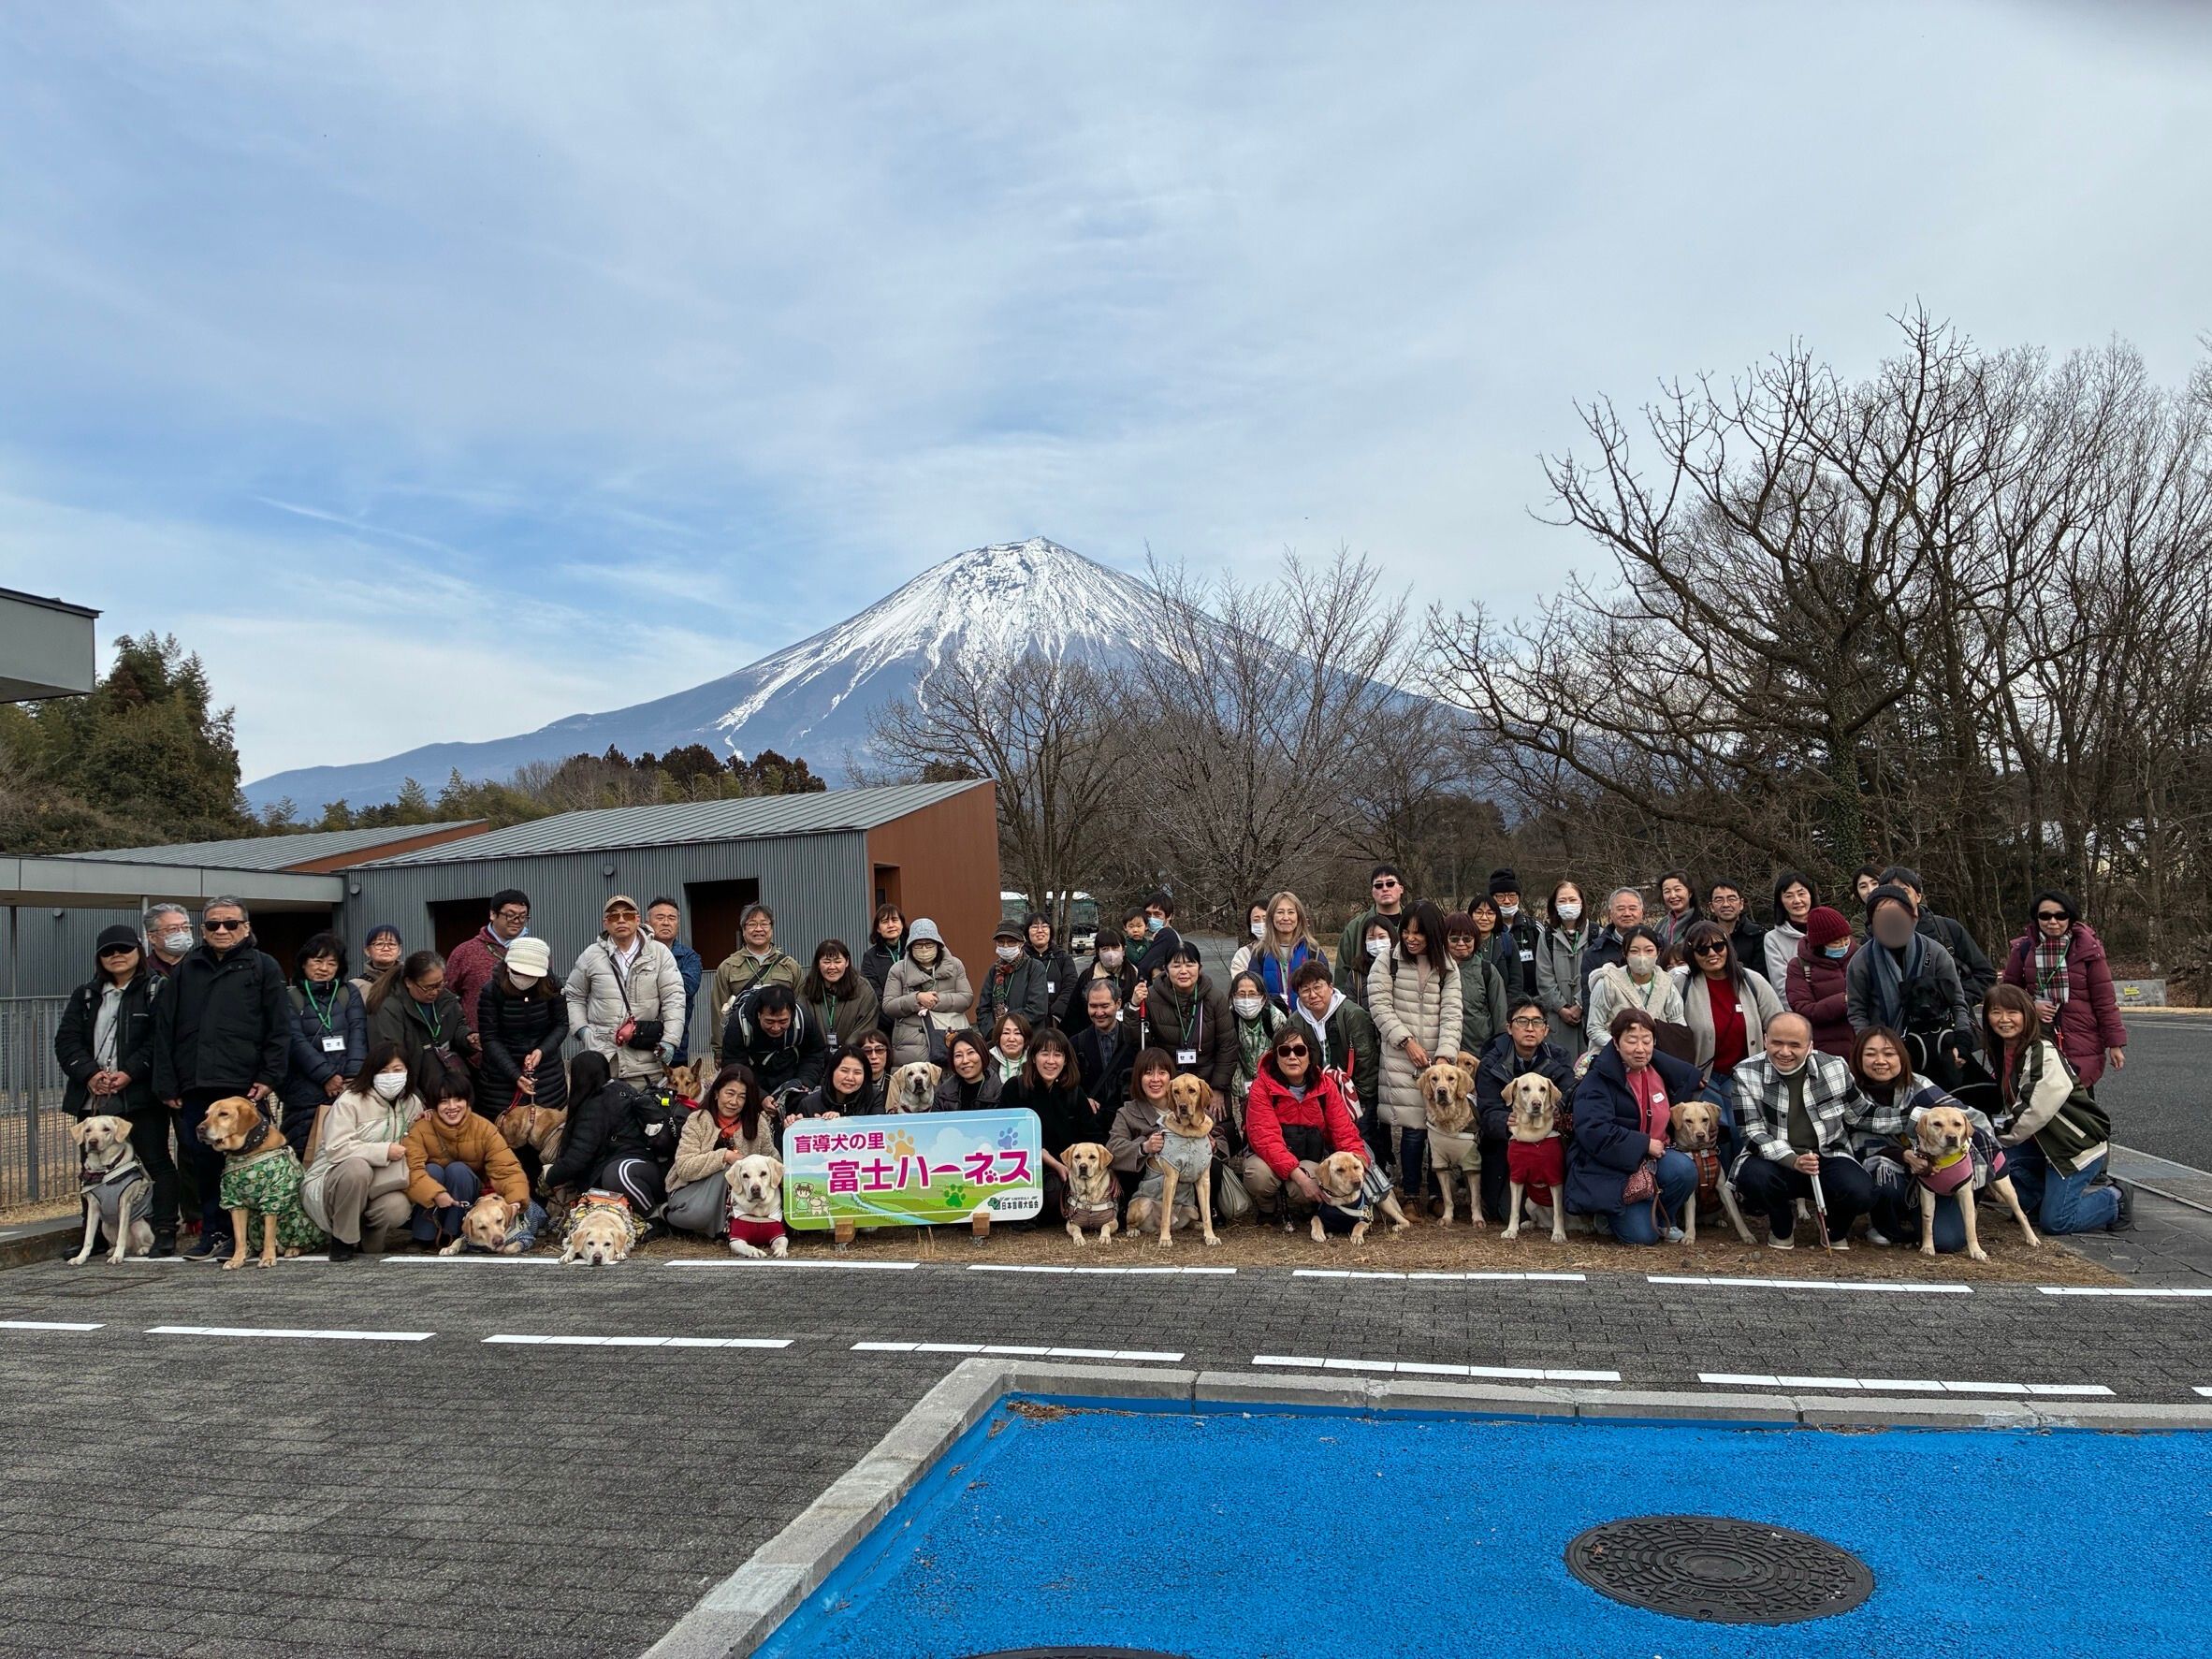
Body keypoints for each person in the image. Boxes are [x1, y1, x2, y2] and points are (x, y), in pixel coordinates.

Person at [151, 896, 290, 1261]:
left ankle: (251, 1236)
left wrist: (269, 1077)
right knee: (203, 1162)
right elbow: (164, 1028)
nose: (222, 930)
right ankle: (213, 1232)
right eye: (213, 925)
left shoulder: (264, 967)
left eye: (230, 924)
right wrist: (167, 1083)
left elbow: (279, 1028)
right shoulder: (186, 968)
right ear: (203, 930)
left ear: (246, 927)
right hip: (195, 1084)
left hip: (243, 1087)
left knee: (249, 1161)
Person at [56, 924, 173, 1253]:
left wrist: (130, 1072)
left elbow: (159, 1039)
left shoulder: (155, 989)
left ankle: (164, 1229)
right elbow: (66, 1041)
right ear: (99, 958)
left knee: (156, 1161)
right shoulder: (86, 994)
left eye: (124, 948)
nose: (117, 956)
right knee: (92, 1168)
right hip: (92, 1097)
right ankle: (91, 1238)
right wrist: (89, 1073)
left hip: (141, 1094)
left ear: (139, 951)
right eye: (108, 951)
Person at [1978, 983, 2126, 1234]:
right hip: (2042, 1147)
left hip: (2073, 1149)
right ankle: (2037, 1199)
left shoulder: (2042, 1052)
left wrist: (1989, 1137)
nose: (2004, 1020)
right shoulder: (2004, 1051)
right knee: (1989, 1162)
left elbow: (2031, 1112)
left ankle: (2116, 1199)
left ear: (2027, 1013)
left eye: (2012, 1012)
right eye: (1995, 1012)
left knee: (2056, 1222)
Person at [1729, 1011, 1882, 1248]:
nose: (1785, 1052)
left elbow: (1862, 1114)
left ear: (1810, 1046)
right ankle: (1782, 1223)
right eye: (1777, 1043)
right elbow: (1752, 1132)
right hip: (1776, 1159)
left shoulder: (1835, 1067)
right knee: (1752, 1178)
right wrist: (1793, 1160)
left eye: (1795, 1045)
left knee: (1862, 1192)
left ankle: (1832, 1228)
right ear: (1765, 1039)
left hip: (1828, 1154)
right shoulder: (1745, 1073)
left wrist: (1916, 1119)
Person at [1567, 1008, 1706, 1244]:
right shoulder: (1598, 1080)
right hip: (1609, 1166)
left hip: (1656, 1157)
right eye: (1631, 1041)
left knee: (1685, 1171)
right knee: (1642, 1237)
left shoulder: (1661, 1071)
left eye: (1647, 1040)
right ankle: (1609, 1212)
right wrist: (1643, 1144)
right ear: (1616, 1043)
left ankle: (1664, 1216)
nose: (1640, 1049)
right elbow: (1594, 1131)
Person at [1848, 1026, 1984, 1252]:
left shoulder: (1921, 1088)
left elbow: (1974, 1123)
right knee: (1881, 1170)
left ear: (1902, 1057)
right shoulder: (1852, 1095)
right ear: (1858, 1058)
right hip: (1897, 1172)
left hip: (1940, 1176)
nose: (1880, 1061)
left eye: (1889, 1054)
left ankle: (1942, 1216)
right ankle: (1888, 1225)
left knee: (1946, 1242)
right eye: (1870, 1054)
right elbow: (1859, 1147)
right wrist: (1905, 1155)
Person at [1367, 898, 1463, 1201]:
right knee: (1412, 1130)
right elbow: (1379, 1006)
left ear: (1432, 934)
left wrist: (1446, 1055)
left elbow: (1452, 1013)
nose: (1411, 938)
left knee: (1439, 1127)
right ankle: (1410, 1194)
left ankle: (1437, 1195)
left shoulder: (1448, 966)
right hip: (1400, 1059)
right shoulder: (1388, 961)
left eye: (1418, 933)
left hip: (1438, 1061)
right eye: (1406, 931)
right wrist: (1405, 1041)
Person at [299, 1043, 424, 1260]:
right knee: (357, 1168)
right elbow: (337, 1149)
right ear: (371, 1072)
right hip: (334, 1181)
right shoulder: (350, 1101)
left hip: (380, 1183)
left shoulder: (412, 1103)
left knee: (398, 1206)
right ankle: (343, 1239)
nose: (390, 1076)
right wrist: (383, 1150)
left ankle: (370, 1241)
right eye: (383, 1071)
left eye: (397, 1070)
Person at [1846, 884, 1972, 1085]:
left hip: (1937, 1048)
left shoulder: (1935, 952)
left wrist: (1962, 1042)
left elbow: (1958, 1001)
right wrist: (1872, 1047)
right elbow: (1856, 1011)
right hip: (1887, 1054)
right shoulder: (1861, 961)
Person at [2001, 889, 2126, 1088]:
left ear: (2070, 917)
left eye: (2060, 915)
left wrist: (2115, 1044)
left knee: (2079, 1103)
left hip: (2081, 1036)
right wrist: (2031, 1006)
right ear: (2036, 918)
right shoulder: (2023, 950)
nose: (2052, 921)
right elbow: (2007, 995)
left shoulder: (2088, 951)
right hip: (2036, 1034)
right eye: (2045, 916)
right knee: (2038, 1099)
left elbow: (2105, 1001)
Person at [1240, 1025, 1365, 1223]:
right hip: (1269, 1157)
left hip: (1309, 1157)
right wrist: (1300, 1177)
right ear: (1276, 1056)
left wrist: (1361, 1164)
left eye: (1299, 1050)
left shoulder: (1326, 1086)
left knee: (1316, 1177)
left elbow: (1344, 1132)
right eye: (1284, 1050)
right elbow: (1266, 1139)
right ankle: (1267, 1206)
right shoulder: (1261, 1087)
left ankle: (1307, 1206)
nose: (1292, 1056)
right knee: (1258, 1175)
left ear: (1310, 1054)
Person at [1473, 997, 1577, 1227]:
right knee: (1506, 1210)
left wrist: (1557, 1110)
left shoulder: (1559, 1059)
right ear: (1509, 1028)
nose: (1530, 1028)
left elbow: (1569, 1091)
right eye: (1522, 1021)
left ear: (1546, 1030)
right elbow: (1487, 1110)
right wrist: (1504, 1120)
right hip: (1508, 1146)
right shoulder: (1491, 1063)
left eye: (1537, 1022)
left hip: (1548, 1142)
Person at [545, 1050, 687, 1216]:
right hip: (653, 1166)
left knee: (617, 1174)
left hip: (639, 1169)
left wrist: (549, 1178)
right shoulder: (622, 1088)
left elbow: (577, 1158)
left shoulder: (594, 1107)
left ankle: (654, 1216)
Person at [404, 1065, 532, 1249]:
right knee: (431, 1170)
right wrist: (436, 1193)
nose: (452, 1107)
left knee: (458, 1170)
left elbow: (506, 1168)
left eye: (458, 1100)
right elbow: (411, 1169)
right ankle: (423, 1237)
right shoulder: (420, 1128)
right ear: (434, 1105)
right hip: (430, 1198)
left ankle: (455, 1234)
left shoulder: (484, 1128)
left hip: (468, 1194)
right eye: (444, 1101)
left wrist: (515, 1201)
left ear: (467, 1101)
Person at [564, 895, 687, 1084]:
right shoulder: (591, 955)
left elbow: (674, 998)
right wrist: (583, 1030)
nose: (621, 920)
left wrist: (670, 1040)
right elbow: (574, 995)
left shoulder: (659, 953)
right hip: (602, 1060)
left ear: (638, 919)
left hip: (644, 1060)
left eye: (628, 915)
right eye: (614, 916)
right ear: (605, 922)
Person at [1002, 1028, 1110, 1219]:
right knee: (1052, 1191)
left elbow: (1094, 1136)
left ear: (1066, 1060)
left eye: (1058, 1055)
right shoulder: (1015, 1089)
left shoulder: (1074, 1094)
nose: (1051, 1061)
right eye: (1044, 1053)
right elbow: (1012, 1139)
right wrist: (1056, 1164)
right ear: (1033, 1057)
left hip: (1069, 1171)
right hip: (1023, 1170)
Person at [1677, 920, 1784, 1110]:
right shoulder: (1681, 985)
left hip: (1745, 1075)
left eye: (1718, 946)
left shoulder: (1753, 981)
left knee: (1739, 1128)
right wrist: (1685, 1073)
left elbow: (1780, 1026)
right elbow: (1670, 1034)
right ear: (1691, 954)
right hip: (1702, 1078)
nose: (1712, 954)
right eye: (1702, 950)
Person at [665, 1062, 779, 1238]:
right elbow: (684, 1167)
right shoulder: (698, 1120)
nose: (734, 1102)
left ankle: (724, 1226)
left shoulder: (757, 1123)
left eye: (741, 1096)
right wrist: (725, 1156)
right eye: (730, 1093)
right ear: (717, 1092)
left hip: (744, 1195)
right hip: (693, 1191)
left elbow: (772, 1160)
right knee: (728, 1171)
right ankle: (669, 1216)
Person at [280, 933, 368, 1157]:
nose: (324, 968)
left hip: (346, 1089)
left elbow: (358, 1033)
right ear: (304, 963)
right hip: (304, 1091)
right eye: (317, 961)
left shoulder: (349, 993)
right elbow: (294, 1040)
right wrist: (326, 1076)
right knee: (304, 1154)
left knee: (346, 1155)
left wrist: (351, 1076)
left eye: (332, 963)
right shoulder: (289, 996)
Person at [474, 935, 569, 1117]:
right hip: (500, 1079)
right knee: (505, 1134)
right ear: (508, 966)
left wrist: (542, 1050)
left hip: (547, 1075)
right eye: (519, 972)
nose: (524, 978)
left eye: (531, 974)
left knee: (547, 1130)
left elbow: (561, 1024)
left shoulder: (552, 985)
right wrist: (514, 1074)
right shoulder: (492, 991)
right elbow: (489, 1037)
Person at [1289, 958, 1381, 1135]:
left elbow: (1366, 1060)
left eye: (1317, 987)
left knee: (1363, 1139)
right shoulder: (1295, 1021)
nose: (1312, 995)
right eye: (1305, 990)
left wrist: (1359, 1097)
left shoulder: (1352, 1015)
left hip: (1355, 1093)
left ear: (1330, 987)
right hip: (1317, 1095)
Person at [1884, 866, 1998, 1002]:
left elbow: (1985, 974)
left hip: (1953, 1019)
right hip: (1893, 1021)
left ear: (1918, 896)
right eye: (1890, 893)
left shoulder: (1947, 929)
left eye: (1904, 891)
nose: (1898, 898)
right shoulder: (1875, 937)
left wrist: (1956, 1001)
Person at [708, 904, 802, 1064]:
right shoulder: (728, 966)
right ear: (743, 930)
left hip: (782, 1045)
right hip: (742, 1046)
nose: (759, 929)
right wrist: (719, 1049)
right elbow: (719, 1011)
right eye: (752, 924)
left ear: (771, 929)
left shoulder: (790, 965)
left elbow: (801, 1006)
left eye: (764, 924)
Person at [1580, 924, 1684, 1065]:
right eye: (1635, 951)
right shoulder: (1607, 983)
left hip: (1657, 1058)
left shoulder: (1667, 984)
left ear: (1658, 952)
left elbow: (1678, 1025)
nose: (1642, 957)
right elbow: (1594, 1028)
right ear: (1625, 953)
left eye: (1648, 950)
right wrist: (1625, 1048)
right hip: (1612, 1058)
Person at [366, 951, 474, 1081]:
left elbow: (457, 1027)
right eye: (428, 987)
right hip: (412, 1085)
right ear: (409, 982)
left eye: (440, 984)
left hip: (449, 1081)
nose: (435, 992)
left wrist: (468, 1038)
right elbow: (391, 1056)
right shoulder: (389, 1007)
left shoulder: (446, 999)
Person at [1142, 940, 1233, 1095]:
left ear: (1200, 968)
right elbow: (1140, 1042)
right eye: (1176, 966)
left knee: (1216, 1116)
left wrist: (1218, 1088)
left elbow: (1228, 1046)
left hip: (1208, 1081)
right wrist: (1134, 1006)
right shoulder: (1151, 997)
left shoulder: (1215, 998)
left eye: (1190, 965)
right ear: (1166, 969)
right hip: (1167, 1082)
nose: (1183, 971)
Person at [882, 918, 973, 1066]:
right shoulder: (898, 970)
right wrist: (916, 999)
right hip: (911, 1044)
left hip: (947, 1036)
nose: (924, 949)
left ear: (938, 945)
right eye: (918, 945)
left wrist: (936, 1001)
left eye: (929, 944)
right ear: (910, 947)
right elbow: (888, 1005)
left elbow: (966, 998)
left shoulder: (955, 965)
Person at [720, 982, 827, 1106]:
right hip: (753, 1082)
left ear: (792, 1015)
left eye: (783, 1021)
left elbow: (815, 1055)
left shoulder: (804, 1019)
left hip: (792, 1079)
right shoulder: (739, 1024)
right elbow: (733, 1066)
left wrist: (804, 1083)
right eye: (769, 1021)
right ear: (759, 1014)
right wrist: (760, 1097)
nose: (776, 1028)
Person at [443, 889, 531, 1033]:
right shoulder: (464, 953)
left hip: (528, 1047)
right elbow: (446, 998)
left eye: (522, 916)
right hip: (478, 1046)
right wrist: (464, 1033)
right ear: (493, 914)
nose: (517, 921)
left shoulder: (536, 952)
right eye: (510, 915)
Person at [1784, 907, 1856, 1057]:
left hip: (1864, 1044)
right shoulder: (1799, 966)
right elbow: (1803, 1009)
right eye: (1836, 942)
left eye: (1846, 939)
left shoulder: (1860, 957)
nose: (1844, 945)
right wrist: (1844, 1000)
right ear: (1820, 944)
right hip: (1826, 1049)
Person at [1239, 890, 1324, 1010]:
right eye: (1280, 912)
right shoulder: (1260, 952)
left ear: (1299, 917)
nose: (1285, 918)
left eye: (1291, 912)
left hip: (1307, 1019)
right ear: (1271, 917)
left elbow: (1324, 991)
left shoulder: (1313, 950)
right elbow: (1254, 991)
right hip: (1272, 1020)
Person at [1443, 912, 1509, 1059]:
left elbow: (1500, 1016)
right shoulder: (1435, 970)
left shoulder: (1487, 971)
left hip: (1480, 1054)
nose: (1461, 943)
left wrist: (1497, 1053)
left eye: (1467, 939)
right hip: (1442, 1054)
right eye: (1454, 939)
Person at [802, 939, 881, 1060]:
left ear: (847, 962)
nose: (832, 967)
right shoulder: (806, 989)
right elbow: (803, 1023)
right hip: (815, 1059)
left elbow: (867, 1024)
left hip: (852, 1057)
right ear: (818, 964)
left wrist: (845, 1052)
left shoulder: (863, 989)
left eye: (838, 961)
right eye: (826, 962)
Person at [646, 897, 706, 1062]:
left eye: (671, 918)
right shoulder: (634, 954)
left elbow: (685, 989)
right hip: (636, 1041)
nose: (666, 922)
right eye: (660, 917)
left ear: (678, 923)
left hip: (675, 1044)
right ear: (646, 922)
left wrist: (647, 982)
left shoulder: (689, 958)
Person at [1225, 968, 1284, 1135]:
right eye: (1241, 994)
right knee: (1250, 1118)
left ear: (1263, 997)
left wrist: (1271, 1083)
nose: (1246, 1000)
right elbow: (1230, 1055)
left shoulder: (1275, 1018)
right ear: (1233, 996)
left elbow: (1283, 1054)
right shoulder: (1229, 1019)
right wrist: (1242, 1088)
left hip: (1272, 1077)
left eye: (1252, 994)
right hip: (1245, 1078)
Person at [1534, 880, 1591, 1048]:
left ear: (1581, 902)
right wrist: (1561, 1007)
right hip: (1557, 1018)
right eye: (1562, 901)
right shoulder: (1546, 937)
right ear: (1555, 905)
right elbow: (1544, 978)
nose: (1568, 905)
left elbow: (1598, 974)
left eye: (1572, 900)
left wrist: (1579, 1004)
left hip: (1588, 1015)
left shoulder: (1596, 934)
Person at [1336, 866, 1406, 993]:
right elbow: (1342, 973)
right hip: (1363, 1003)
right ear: (1372, 892)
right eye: (1378, 886)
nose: (1385, 889)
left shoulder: (1413, 924)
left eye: (1390, 884)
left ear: (1401, 888)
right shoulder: (1355, 927)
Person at [978, 919, 1051, 1034]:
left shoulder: (1034, 968)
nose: (1005, 946)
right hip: (997, 1038)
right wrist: (992, 1032)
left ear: (1021, 943)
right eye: (1001, 942)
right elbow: (983, 1009)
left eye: (1011, 942)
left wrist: (1007, 1026)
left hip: (1027, 1037)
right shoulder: (994, 970)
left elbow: (1037, 1008)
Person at [1072, 978, 1136, 1106]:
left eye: (1105, 1006)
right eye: (1093, 1006)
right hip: (1092, 1117)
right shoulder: (1076, 1043)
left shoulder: (1134, 1039)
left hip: (1128, 1114)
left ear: (1118, 1004)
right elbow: (1069, 1083)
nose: (1099, 1012)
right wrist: (1082, 1100)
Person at [1060, 928, 1138, 1030]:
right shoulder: (1087, 977)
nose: (1111, 954)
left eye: (1115, 948)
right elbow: (1073, 1014)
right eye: (1105, 949)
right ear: (1098, 951)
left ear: (1123, 949)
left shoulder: (1136, 975)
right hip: (1091, 1037)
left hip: (1128, 1036)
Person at [1486, 869, 1542, 1003]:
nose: (1507, 901)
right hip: (1496, 1001)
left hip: (1532, 1001)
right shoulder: (1486, 930)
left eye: (1512, 896)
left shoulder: (1534, 928)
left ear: (1518, 897)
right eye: (1500, 896)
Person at [1020, 911, 1079, 1028]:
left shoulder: (1063, 959)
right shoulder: (1020, 961)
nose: (1040, 930)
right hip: (1026, 1023)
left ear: (1050, 930)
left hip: (1058, 1022)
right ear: (1027, 932)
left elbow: (1070, 987)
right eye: (1035, 927)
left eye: (1044, 926)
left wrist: (1055, 1013)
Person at [1763, 871, 1819, 990]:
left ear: (1811, 895)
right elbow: (1781, 985)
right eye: (1789, 896)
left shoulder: (1828, 927)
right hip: (1797, 1005)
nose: (1797, 900)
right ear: (1780, 901)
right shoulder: (1773, 939)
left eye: (1801, 893)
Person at [1580, 887, 1646, 988]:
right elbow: (1589, 996)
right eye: (1620, 909)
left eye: (1632, 908)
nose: (1627, 914)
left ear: (1642, 913)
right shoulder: (1594, 953)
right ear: (1610, 914)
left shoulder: (1659, 946)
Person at [792, 1050, 876, 1120]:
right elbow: (798, 1136)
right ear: (831, 1071)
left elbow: (879, 1130)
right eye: (844, 1071)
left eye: (857, 1072)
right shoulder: (809, 1104)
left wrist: (842, 1123)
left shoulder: (873, 1097)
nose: (850, 1078)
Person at [932, 1027, 1002, 1112]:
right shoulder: (942, 1095)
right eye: (958, 1055)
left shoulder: (999, 1093)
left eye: (971, 1052)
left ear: (982, 1054)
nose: (965, 1061)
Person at [860, 904, 906, 1029]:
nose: (891, 925)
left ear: (902, 924)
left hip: (916, 1020)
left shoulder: (913, 951)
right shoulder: (870, 957)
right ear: (878, 928)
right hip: (886, 1024)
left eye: (895, 920)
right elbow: (873, 994)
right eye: (885, 922)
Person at [1707, 880, 1767, 970]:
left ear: (1741, 904)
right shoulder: (1704, 936)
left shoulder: (1757, 934)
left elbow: (1762, 975)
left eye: (1732, 899)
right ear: (1711, 907)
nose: (1726, 904)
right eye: (1719, 900)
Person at [1652, 870, 1702, 953]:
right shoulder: (1661, 925)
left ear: (1690, 893)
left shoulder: (1701, 925)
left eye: (1677, 889)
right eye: (1667, 891)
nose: (1672, 896)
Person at [143, 903, 194, 982]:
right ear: (152, 937)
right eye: (172, 929)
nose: (181, 933)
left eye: (185, 927)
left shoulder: (203, 966)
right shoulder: (142, 971)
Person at [1226, 899, 1272, 982]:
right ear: (1250, 924)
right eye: (1256, 920)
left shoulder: (1287, 949)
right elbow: (1240, 986)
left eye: (1265, 919)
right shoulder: (1243, 954)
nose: (1261, 923)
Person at [353, 924, 402, 997]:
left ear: (400, 950)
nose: (386, 948)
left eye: (391, 944)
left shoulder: (410, 980)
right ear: (367, 951)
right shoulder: (356, 986)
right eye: (379, 944)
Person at [988, 1010, 1031, 1085]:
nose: (1011, 1039)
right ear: (998, 1037)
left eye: (1017, 1033)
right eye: (1006, 1033)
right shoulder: (987, 1062)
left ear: (1025, 1038)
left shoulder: (1035, 1062)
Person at [854, 1030, 893, 1113]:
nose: (874, 1056)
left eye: (879, 1050)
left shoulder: (898, 1084)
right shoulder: (851, 1084)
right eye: (867, 1051)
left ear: (888, 1053)